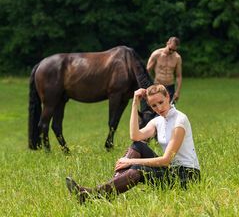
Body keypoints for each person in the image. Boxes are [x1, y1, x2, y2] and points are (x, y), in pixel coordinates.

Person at [66, 84, 200, 204]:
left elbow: (166, 160)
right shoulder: (159, 121)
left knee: (137, 168)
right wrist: (134, 104)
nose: (159, 108)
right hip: (171, 170)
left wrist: (130, 161)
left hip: (187, 176)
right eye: (154, 105)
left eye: (161, 102)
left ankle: (92, 195)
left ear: (168, 97)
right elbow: (135, 136)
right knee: (138, 145)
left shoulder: (179, 120)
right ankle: (111, 188)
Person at [146, 37, 182, 103]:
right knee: (155, 108)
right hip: (157, 85)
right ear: (167, 43)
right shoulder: (156, 54)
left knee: (169, 111)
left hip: (170, 87)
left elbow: (178, 76)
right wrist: (150, 84)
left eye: (174, 50)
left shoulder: (177, 58)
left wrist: (177, 92)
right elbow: (148, 70)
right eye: (170, 49)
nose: (171, 52)